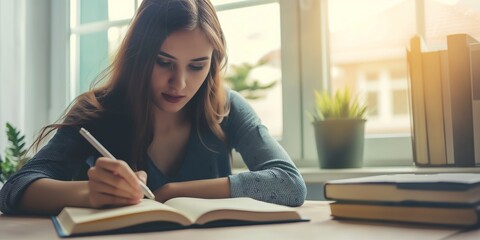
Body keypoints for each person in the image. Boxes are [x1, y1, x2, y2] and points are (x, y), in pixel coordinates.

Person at [0, 0, 306, 215]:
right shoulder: (97, 111)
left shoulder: (226, 108)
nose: (180, 84)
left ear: (212, 64)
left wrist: (173, 192)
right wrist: (89, 194)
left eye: (197, 66)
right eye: (164, 63)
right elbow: (14, 190)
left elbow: (290, 185)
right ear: (139, 56)